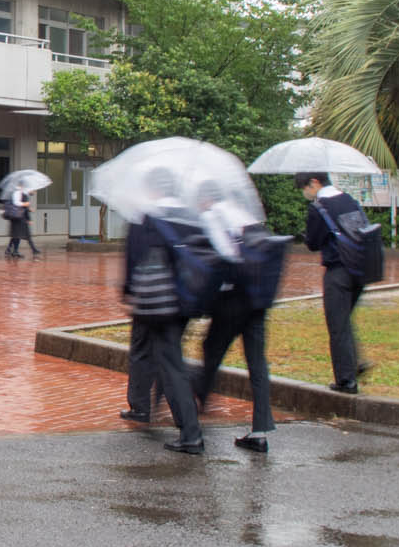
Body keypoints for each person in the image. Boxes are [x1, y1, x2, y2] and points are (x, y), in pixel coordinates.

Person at [193, 187, 278, 454]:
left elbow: (217, 261)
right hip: (258, 299)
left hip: (232, 301)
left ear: (208, 198)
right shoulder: (249, 218)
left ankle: (197, 406)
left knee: (211, 350)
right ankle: (260, 431)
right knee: (257, 364)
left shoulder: (214, 218)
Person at [122, 201, 202, 454]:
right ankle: (148, 408)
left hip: (154, 300)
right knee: (167, 358)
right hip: (183, 299)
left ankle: (190, 432)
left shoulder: (145, 217)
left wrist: (128, 292)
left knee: (167, 364)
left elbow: (133, 256)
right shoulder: (187, 215)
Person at [299, 170, 373, 393]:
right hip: (360, 268)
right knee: (344, 319)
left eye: (304, 188)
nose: (304, 193)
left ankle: (346, 381)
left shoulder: (319, 207)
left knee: (337, 325)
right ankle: (355, 364)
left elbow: (313, 243)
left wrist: (307, 236)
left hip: (338, 271)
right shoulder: (349, 199)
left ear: (314, 182)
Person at [4, 181, 40, 258]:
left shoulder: (22, 194)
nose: (34, 192)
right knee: (19, 235)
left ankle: (13, 250)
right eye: (33, 190)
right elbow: (16, 203)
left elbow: (22, 207)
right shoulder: (19, 193)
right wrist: (25, 205)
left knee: (17, 235)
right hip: (18, 217)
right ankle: (15, 251)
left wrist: (28, 208)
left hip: (19, 217)